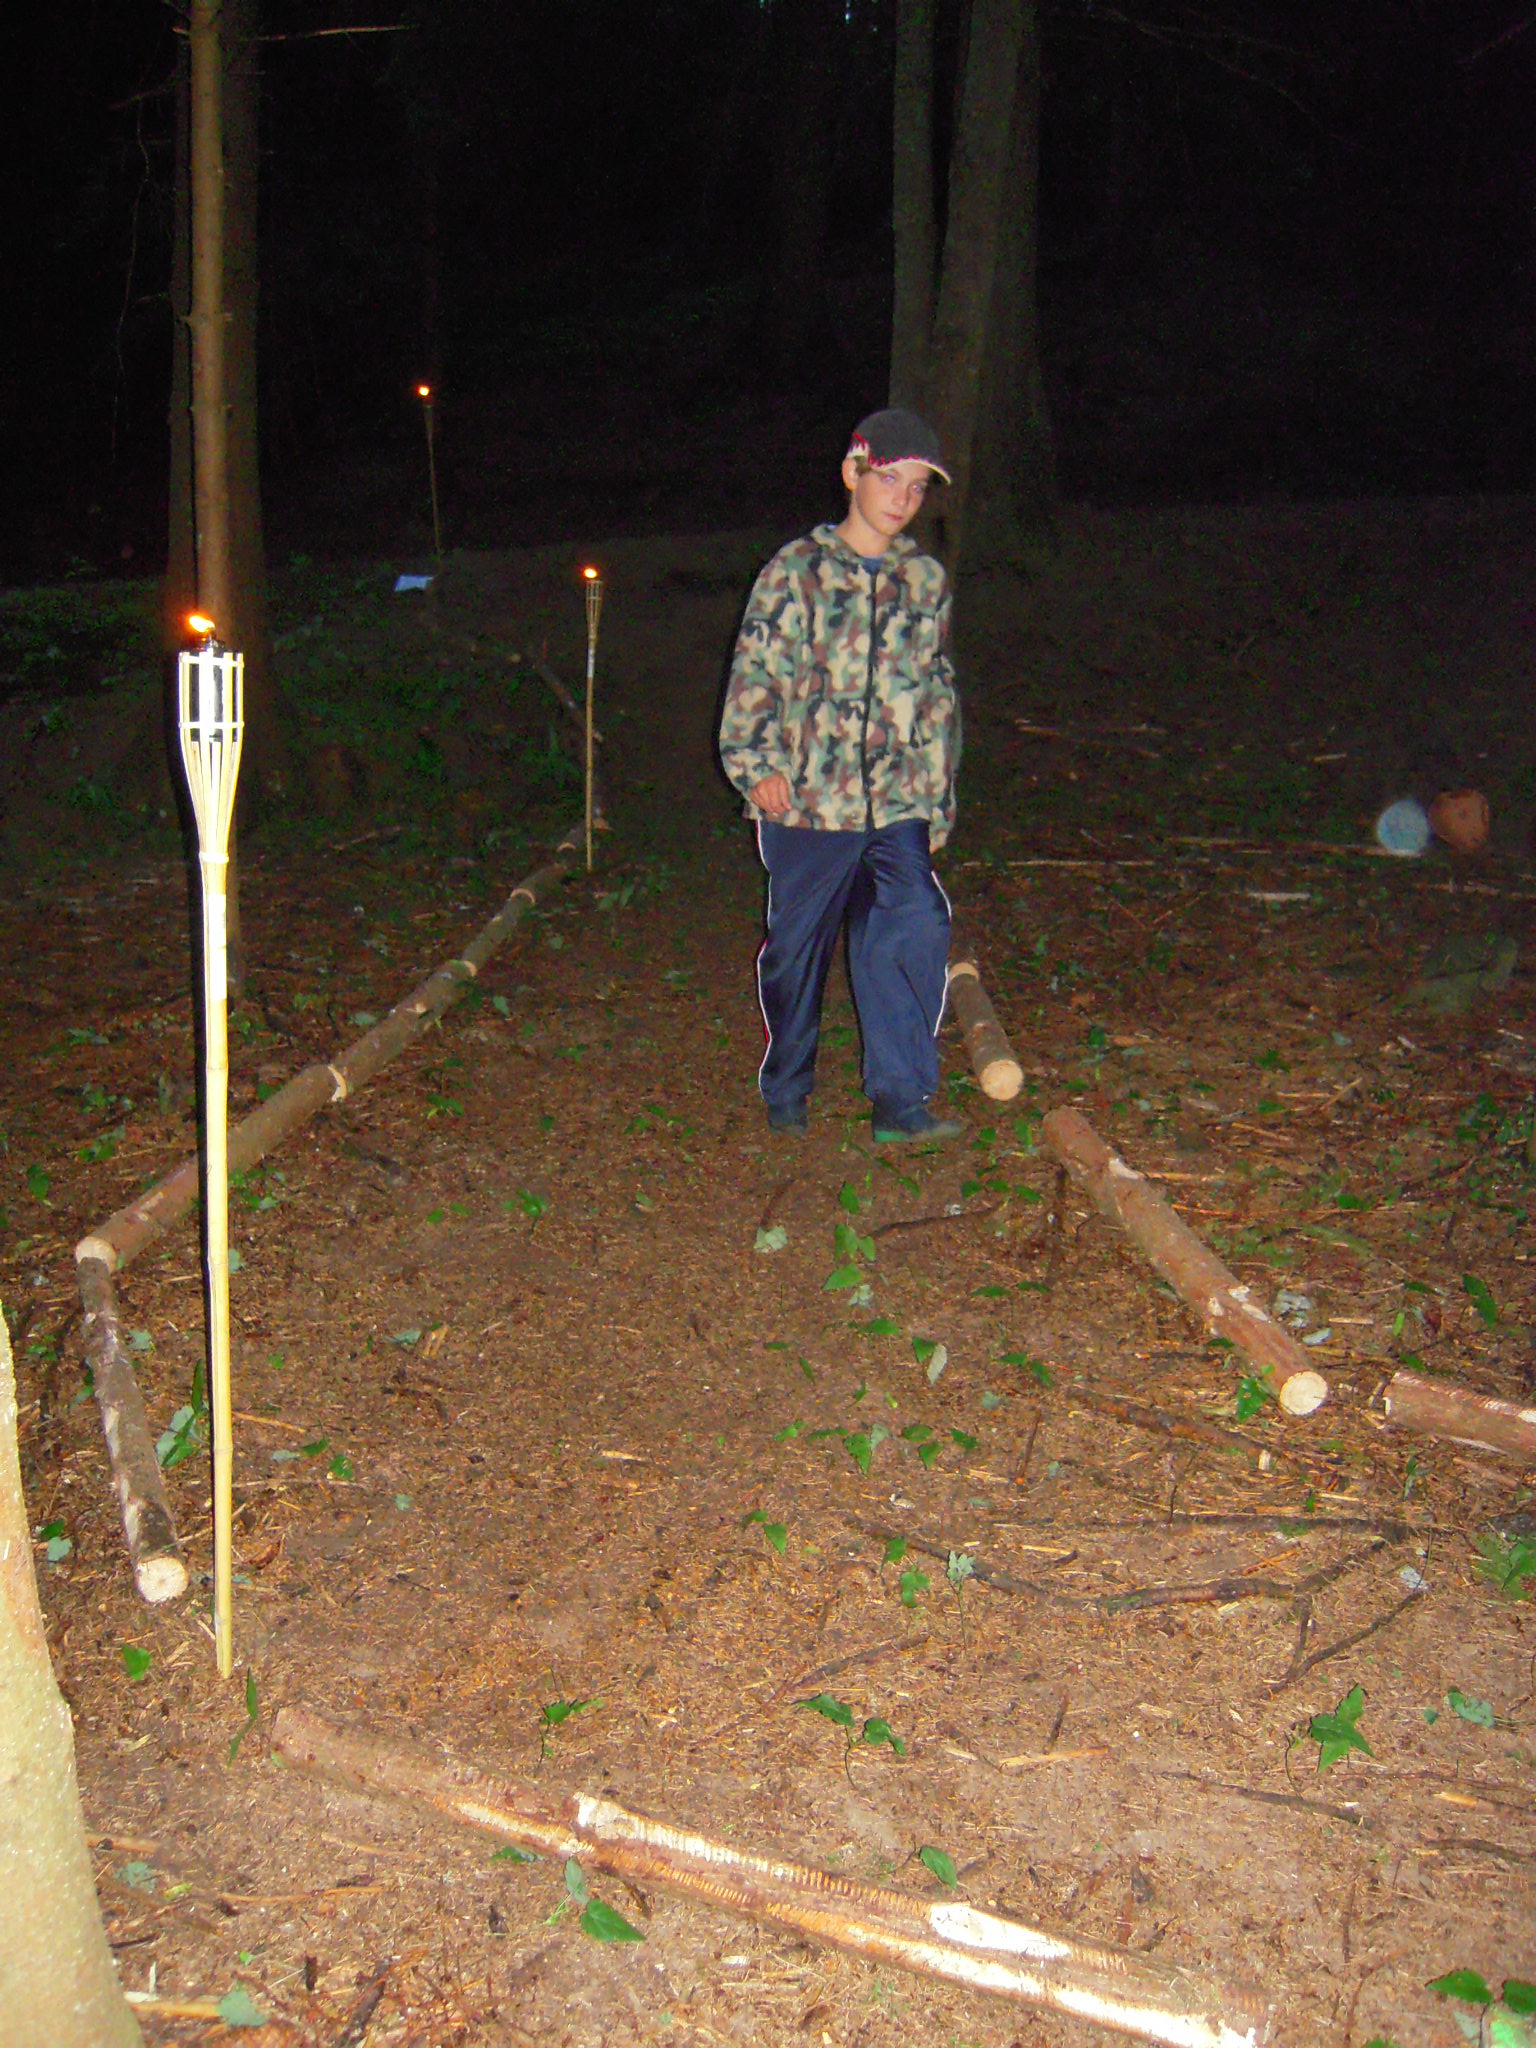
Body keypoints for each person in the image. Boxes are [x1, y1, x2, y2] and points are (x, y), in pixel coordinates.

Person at [718, 408, 963, 1143]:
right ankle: (787, 1085)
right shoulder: (796, 570)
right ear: (853, 473)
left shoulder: (924, 580)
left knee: (913, 922)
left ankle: (900, 1100)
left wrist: (937, 797)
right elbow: (756, 670)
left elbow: (937, 693)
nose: (902, 499)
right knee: (796, 953)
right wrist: (758, 766)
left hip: (897, 798)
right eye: (889, 480)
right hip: (806, 800)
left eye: (917, 487)